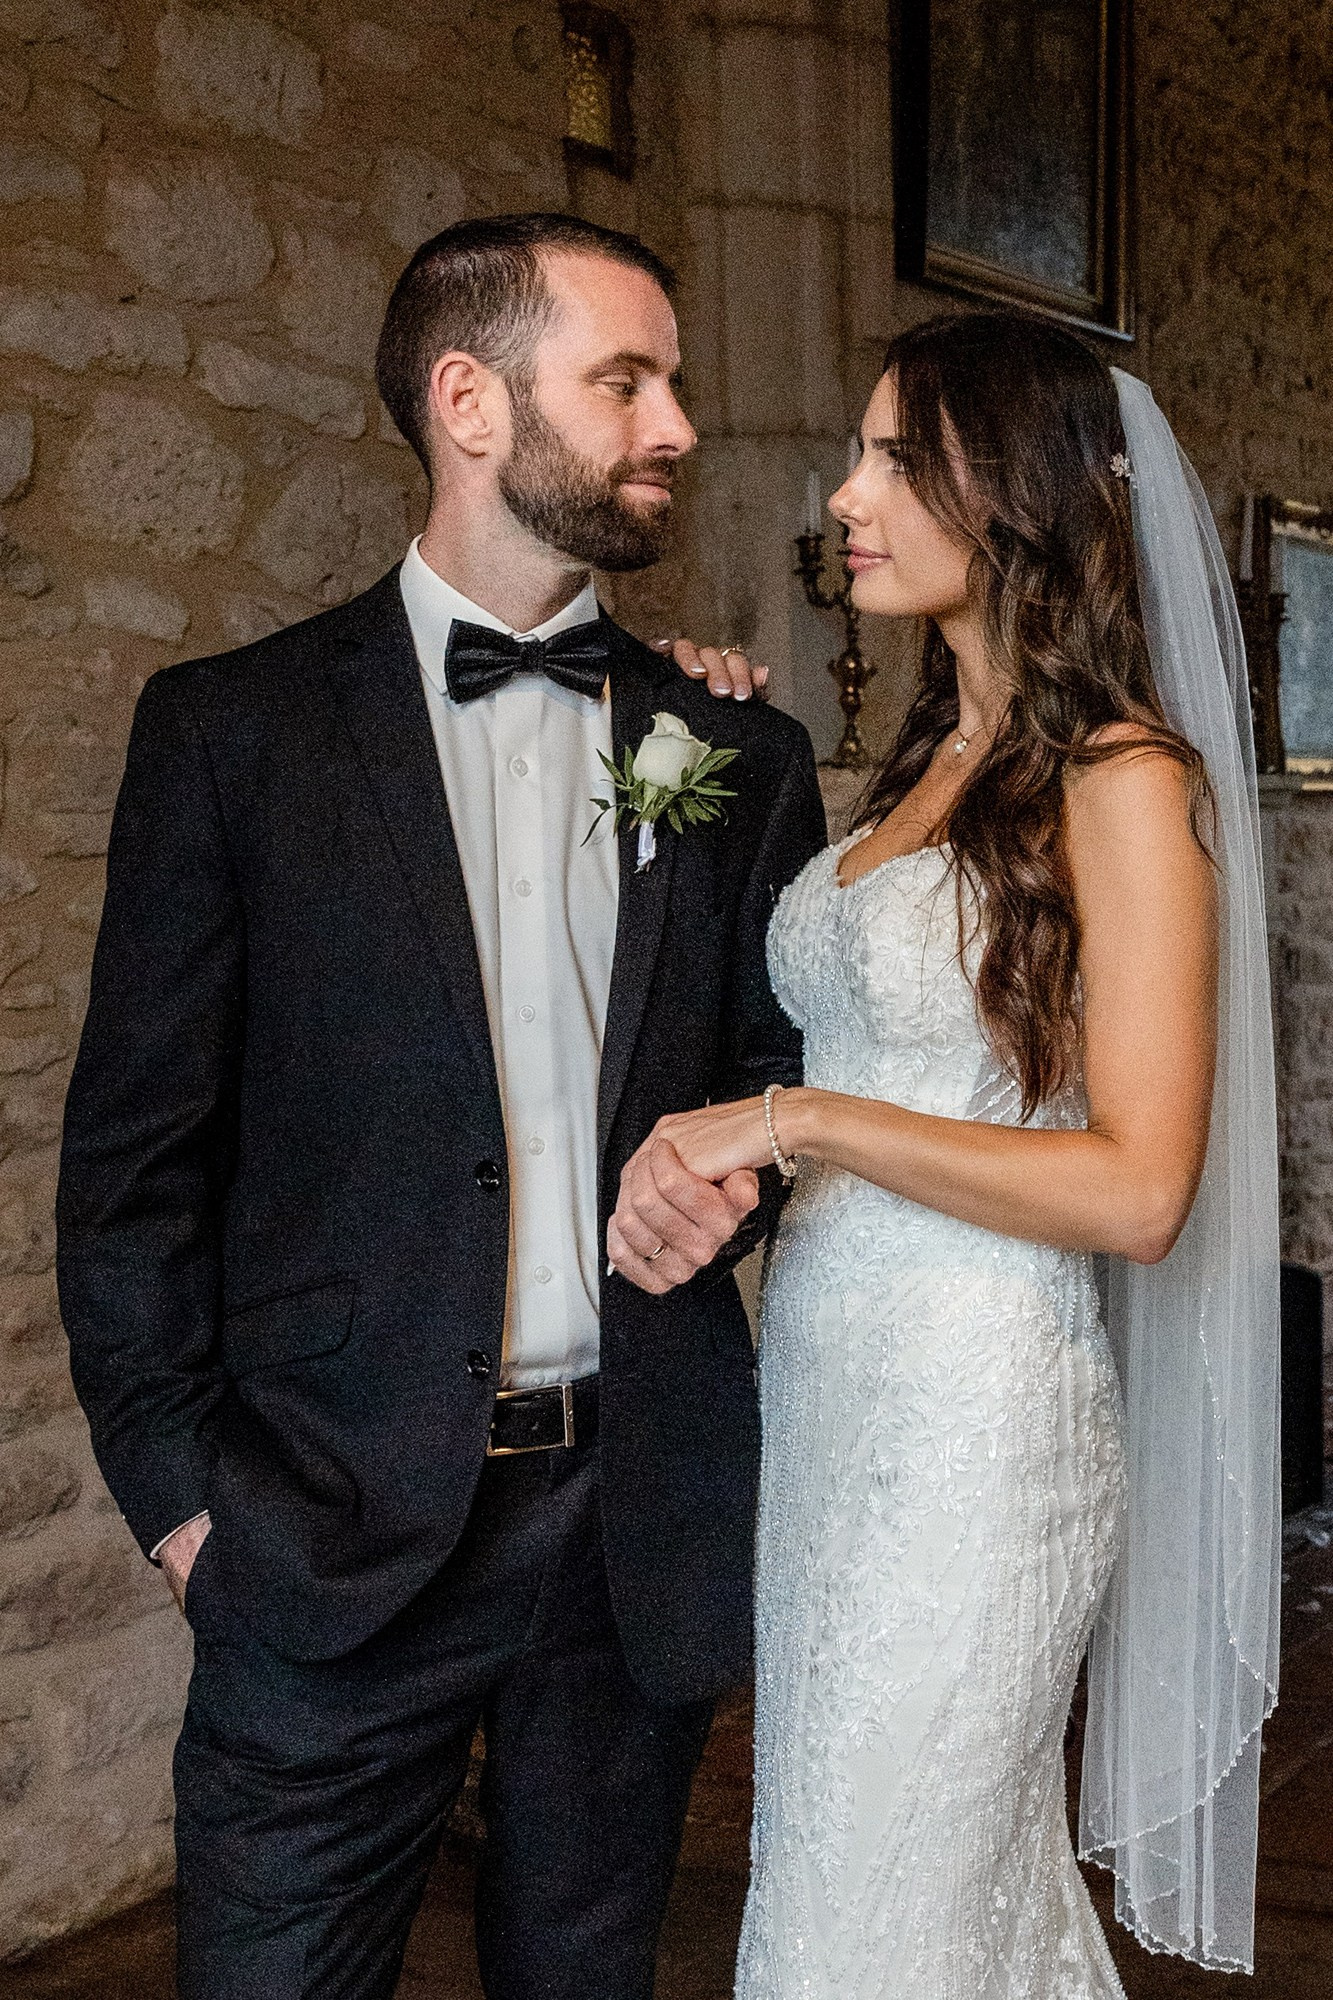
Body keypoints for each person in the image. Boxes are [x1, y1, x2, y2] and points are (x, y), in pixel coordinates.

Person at [56, 212, 827, 2000]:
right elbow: (131, 1173)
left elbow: (780, 1076)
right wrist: (183, 1508)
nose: (679, 427)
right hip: (321, 1531)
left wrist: (743, 1177)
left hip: (628, 1524)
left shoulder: (733, 750)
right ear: (468, 400)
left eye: (677, 382)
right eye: (626, 379)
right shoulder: (231, 734)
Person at [620, 311, 1281, 1995]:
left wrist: (800, 1121)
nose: (844, 494)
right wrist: (678, 704)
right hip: (834, 1412)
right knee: (879, 1894)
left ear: (1020, 495)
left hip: (982, 1438)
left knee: (869, 1927)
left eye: (894, 458)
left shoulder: (1123, 776)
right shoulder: (922, 761)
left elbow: (1139, 1189)